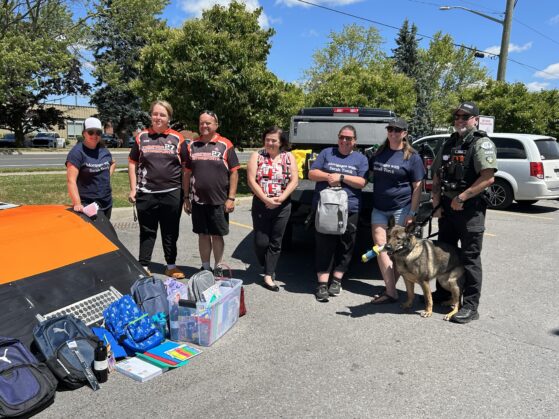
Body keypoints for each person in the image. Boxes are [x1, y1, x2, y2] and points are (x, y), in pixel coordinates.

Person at [431, 101, 497, 324]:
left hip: (470, 210)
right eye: (457, 117)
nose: (460, 120)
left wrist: (463, 197)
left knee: (469, 258)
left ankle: (470, 305)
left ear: (475, 120)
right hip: (448, 209)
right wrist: (436, 202)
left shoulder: (481, 143)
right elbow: (437, 174)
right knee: (445, 254)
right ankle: (443, 294)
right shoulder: (450, 142)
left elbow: (488, 177)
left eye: (465, 117)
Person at [309, 125, 368, 302]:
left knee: (346, 245)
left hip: (349, 209)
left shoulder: (361, 158)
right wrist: (329, 177)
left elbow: (362, 182)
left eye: (349, 138)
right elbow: (312, 173)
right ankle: (321, 284)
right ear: (338, 138)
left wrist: (341, 177)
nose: (344, 141)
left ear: (354, 141)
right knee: (324, 245)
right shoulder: (327, 153)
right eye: (342, 137)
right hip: (326, 207)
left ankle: (337, 280)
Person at [368, 117, 425, 304]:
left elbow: (418, 186)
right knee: (381, 247)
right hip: (379, 208)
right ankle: (391, 291)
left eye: (397, 130)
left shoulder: (412, 157)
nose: (393, 133)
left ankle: (389, 290)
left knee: (396, 250)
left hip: (401, 208)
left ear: (404, 134)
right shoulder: (380, 152)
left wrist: (412, 213)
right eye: (390, 129)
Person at [128, 100, 186, 279]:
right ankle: (144, 265)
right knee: (147, 231)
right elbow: (132, 162)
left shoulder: (178, 138)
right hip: (146, 193)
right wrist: (132, 188)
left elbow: (185, 167)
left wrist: (185, 193)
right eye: (155, 114)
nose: (158, 117)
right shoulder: (142, 137)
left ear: (169, 118)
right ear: (150, 115)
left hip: (171, 193)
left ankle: (171, 265)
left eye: (162, 114)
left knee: (170, 231)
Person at [181, 111, 240, 276]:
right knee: (203, 234)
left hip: (219, 201)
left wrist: (231, 198)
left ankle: (218, 266)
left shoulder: (225, 144)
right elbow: (186, 173)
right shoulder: (191, 146)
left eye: (208, 123)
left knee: (217, 235)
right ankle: (205, 267)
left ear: (216, 125)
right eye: (201, 123)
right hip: (198, 201)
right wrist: (186, 198)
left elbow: (234, 173)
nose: (204, 126)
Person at [246, 126, 298, 292]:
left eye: (274, 140)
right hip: (262, 203)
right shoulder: (257, 156)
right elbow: (251, 181)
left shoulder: (288, 157)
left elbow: (294, 181)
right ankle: (265, 262)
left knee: (276, 241)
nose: (270, 142)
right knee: (261, 242)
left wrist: (281, 198)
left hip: (282, 205)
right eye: (267, 139)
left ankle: (269, 274)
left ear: (281, 142)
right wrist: (266, 199)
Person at [66, 117, 116, 219]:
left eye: (98, 132)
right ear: (84, 133)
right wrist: (77, 203)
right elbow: (71, 180)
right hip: (88, 205)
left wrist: (106, 176)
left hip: (106, 202)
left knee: (105, 234)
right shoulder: (77, 152)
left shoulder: (104, 150)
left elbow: (113, 163)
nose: (94, 135)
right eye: (91, 132)